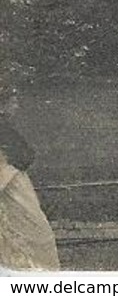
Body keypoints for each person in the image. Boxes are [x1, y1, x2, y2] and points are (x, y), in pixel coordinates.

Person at [0, 87, 58, 270]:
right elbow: (23, 156)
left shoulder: (5, 126)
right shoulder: (3, 128)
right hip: (10, 183)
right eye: (13, 102)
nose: (16, 106)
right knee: (36, 233)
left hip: (11, 180)